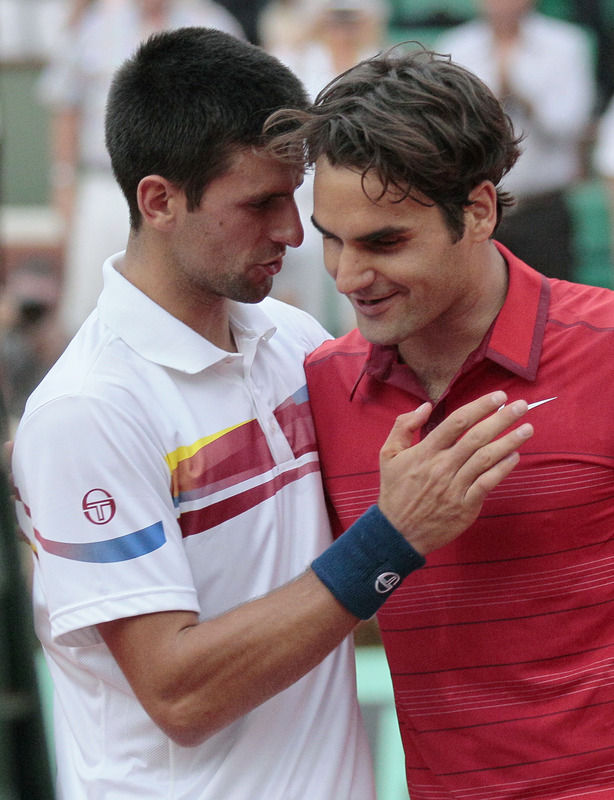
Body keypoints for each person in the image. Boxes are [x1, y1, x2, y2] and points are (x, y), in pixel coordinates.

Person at [11, 28, 533, 800]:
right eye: (260, 203)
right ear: (159, 201)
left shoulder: (295, 342)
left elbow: (333, 599)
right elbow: (180, 695)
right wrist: (391, 538)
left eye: (293, 196)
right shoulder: (87, 410)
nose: (292, 232)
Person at [267, 45, 614, 800]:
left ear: (480, 211)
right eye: (332, 238)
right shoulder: (320, 387)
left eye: (385, 241)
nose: (348, 276)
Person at [38, 0, 244, 338]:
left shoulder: (210, 22)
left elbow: (238, 108)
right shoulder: (93, 25)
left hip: (185, 188)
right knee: (90, 304)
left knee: (179, 299)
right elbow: (66, 106)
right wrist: (63, 181)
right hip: (106, 184)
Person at [436, 0, 596, 281]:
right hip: (477, 208)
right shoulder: (456, 46)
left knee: (553, 298)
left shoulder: (566, 44)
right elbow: (448, 131)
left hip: (543, 207)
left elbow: (571, 124)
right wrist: (491, 103)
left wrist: (522, 95)